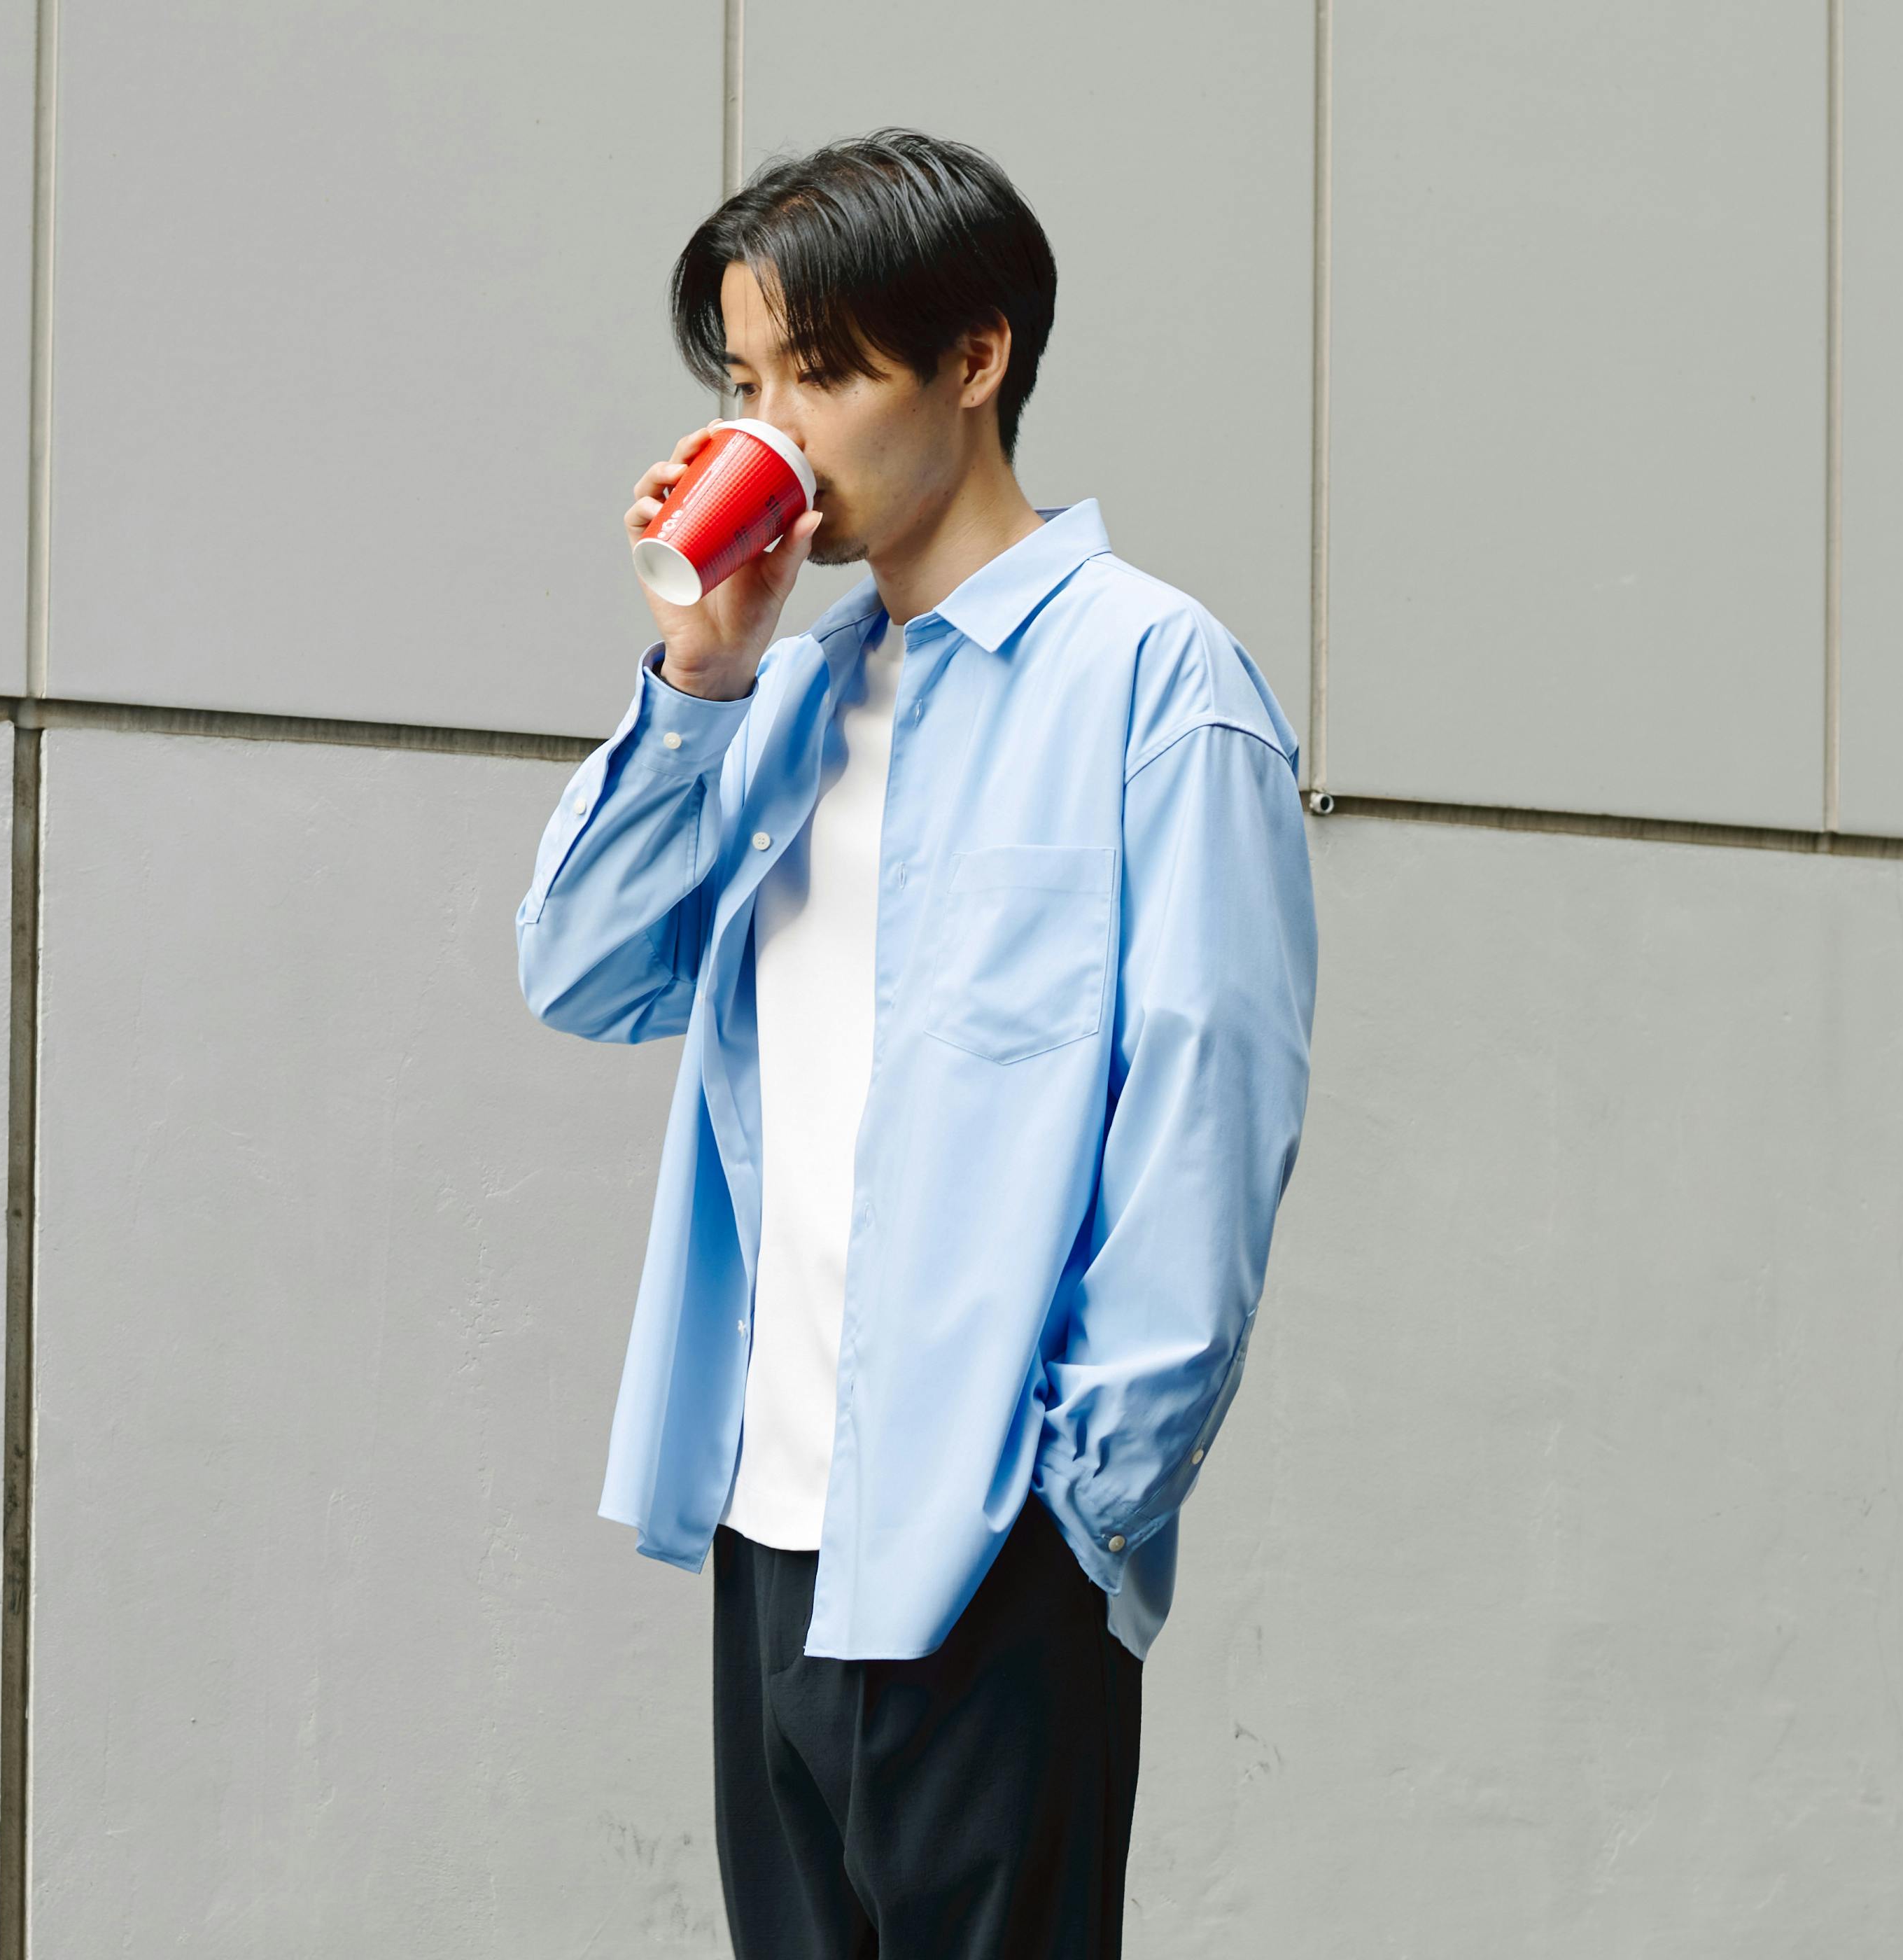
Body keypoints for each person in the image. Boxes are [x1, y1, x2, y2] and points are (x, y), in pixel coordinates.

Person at [516, 126, 1318, 1959]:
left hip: (993, 1554)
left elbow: (1210, 1123)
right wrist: (703, 669)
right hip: (770, 1539)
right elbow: (583, 968)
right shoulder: (787, 699)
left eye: (819, 372)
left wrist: (1076, 1516)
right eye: (744, 385)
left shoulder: (1155, 681)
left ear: (975, 358)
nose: (775, 431)